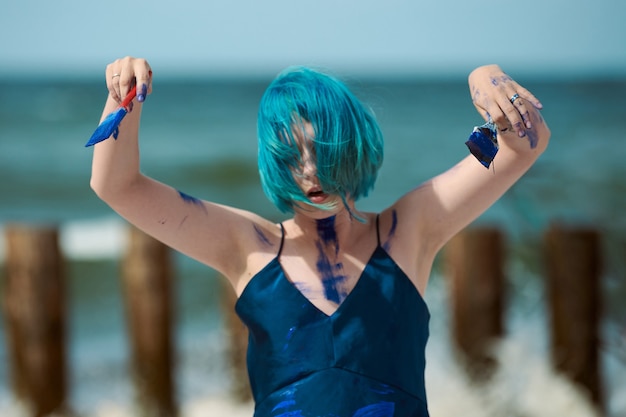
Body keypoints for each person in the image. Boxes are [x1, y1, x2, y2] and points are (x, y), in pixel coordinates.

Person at [89, 57, 550, 417]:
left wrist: (485, 77)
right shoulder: (249, 247)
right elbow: (117, 185)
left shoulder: (407, 232)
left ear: (351, 145)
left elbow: (525, 145)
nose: (311, 170)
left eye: (322, 150)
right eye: (293, 155)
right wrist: (124, 98)